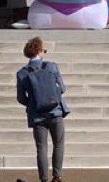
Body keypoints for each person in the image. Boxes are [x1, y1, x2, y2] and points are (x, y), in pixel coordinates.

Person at [16, 37, 69, 182]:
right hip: (55, 111)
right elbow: (62, 88)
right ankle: (57, 176)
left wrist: (33, 104)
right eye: (44, 50)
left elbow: (21, 98)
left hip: (37, 115)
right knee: (58, 144)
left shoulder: (22, 73)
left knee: (41, 148)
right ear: (39, 51)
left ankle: (44, 179)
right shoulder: (51, 66)